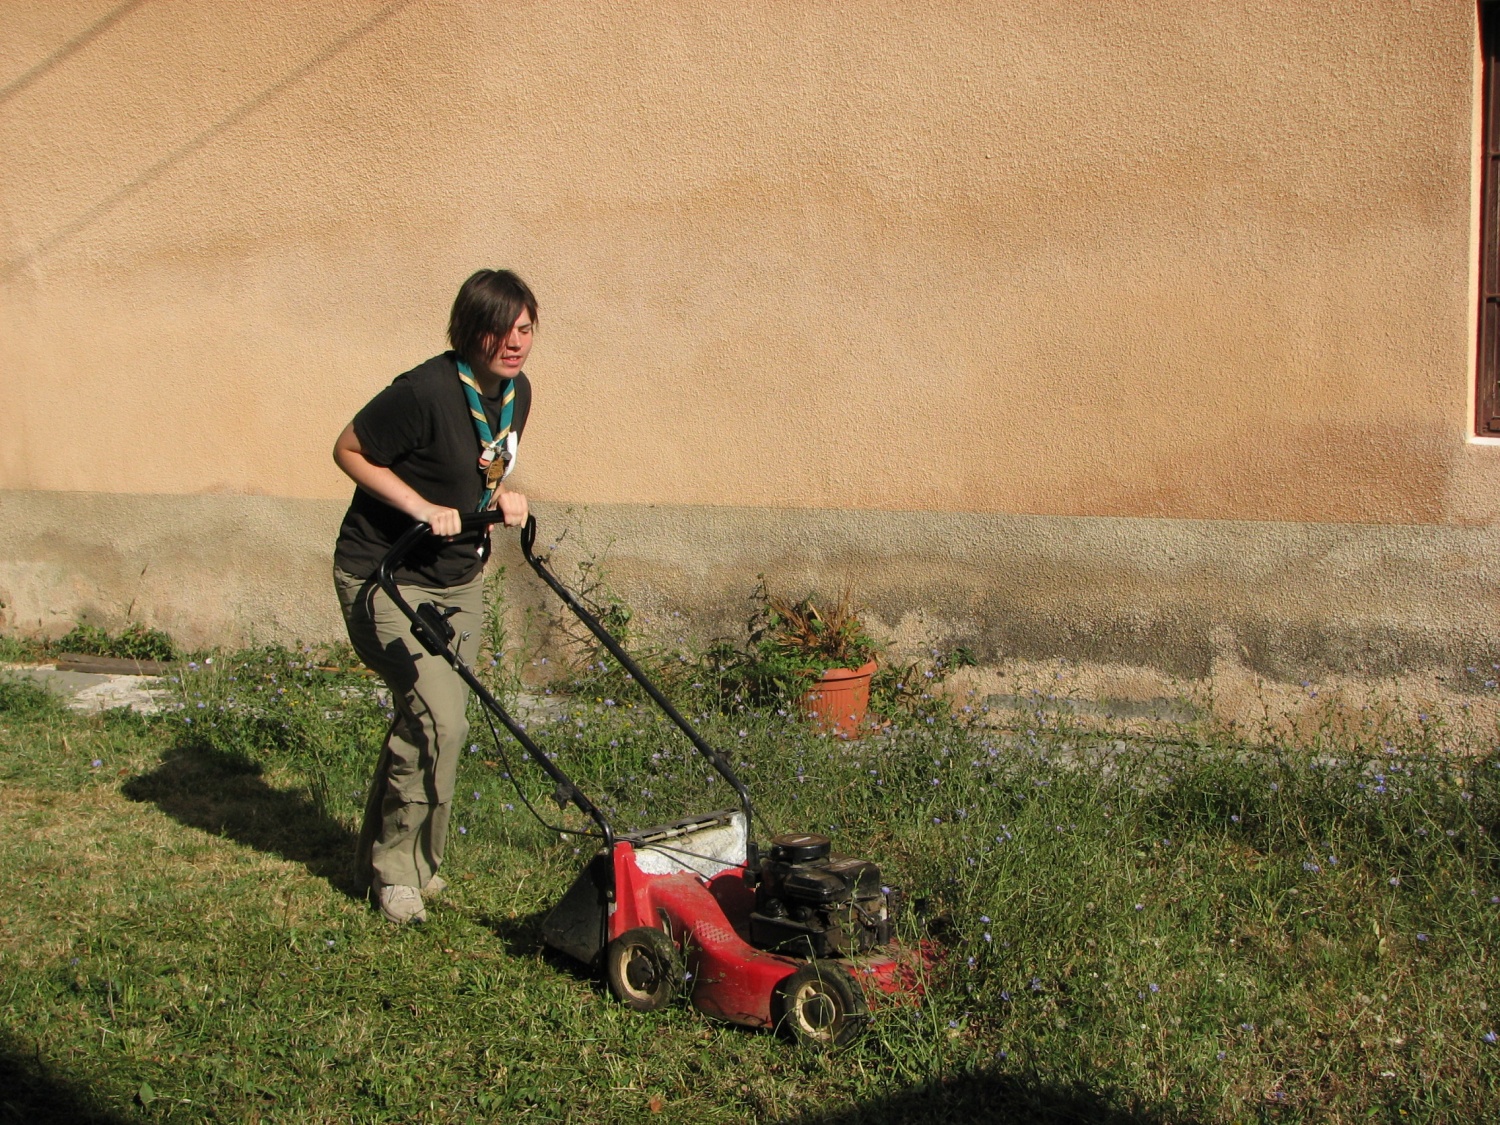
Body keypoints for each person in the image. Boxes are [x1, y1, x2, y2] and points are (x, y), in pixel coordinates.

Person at [331, 269, 535, 924]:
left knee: (432, 719)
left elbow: (485, 463)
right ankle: (401, 875)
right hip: (384, 575)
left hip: (457, 581)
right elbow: (349, 448)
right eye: (500, 328)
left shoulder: (515, 393)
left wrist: (497, 499)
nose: (515, 341)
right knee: (437, 718)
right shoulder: (423, 391)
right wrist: (421, 506)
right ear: (471, 330)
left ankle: (387, 859)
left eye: (525, 328)